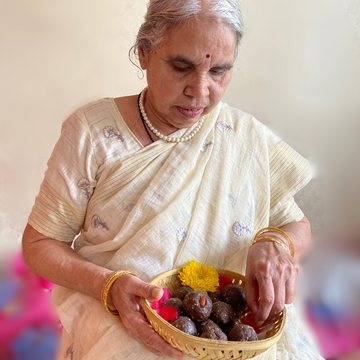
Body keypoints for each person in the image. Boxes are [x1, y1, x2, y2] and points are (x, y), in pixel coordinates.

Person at [22, 0, 323, 359]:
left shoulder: (242, 137)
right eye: (182, 67)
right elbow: (40, 243)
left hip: (233, 331)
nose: (200, 91)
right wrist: (108, 285)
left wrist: (274, 243)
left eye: (219, 72)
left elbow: (297, 224)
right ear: (144, 53)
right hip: (122, 318)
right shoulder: (92, 132)